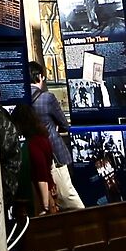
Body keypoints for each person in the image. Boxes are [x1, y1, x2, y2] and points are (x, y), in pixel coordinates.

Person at [27, 61, 84, 211]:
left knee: (44, 200)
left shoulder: (23, 101)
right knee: (68, 196)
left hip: (34, 153)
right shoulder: (47, 98)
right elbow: (64, 124)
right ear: (39, 76)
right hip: (53, 153)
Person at [10, 102, 57, 214]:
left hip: (39, 196)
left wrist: (44, 207)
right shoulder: (43, 138)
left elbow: (41, 176)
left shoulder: (33, 144)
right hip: (50, 189)